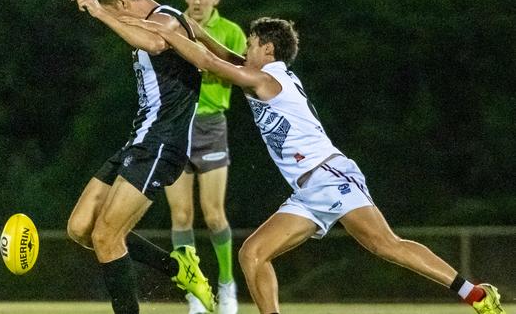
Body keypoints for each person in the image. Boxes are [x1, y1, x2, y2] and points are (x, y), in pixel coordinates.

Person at [120, 16, 506, 314]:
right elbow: (223, 56)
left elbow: (211, 62)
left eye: (252, 43)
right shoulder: (265, 73)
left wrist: (169, 32)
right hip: (306, 191)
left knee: (386, 245)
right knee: (252, 254)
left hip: (328, 174)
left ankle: (475, 293)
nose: (246, 48)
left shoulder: (269, 79)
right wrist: (197, 29)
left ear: (268, 49)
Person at [67, 0, 215, 313]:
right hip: (141, 139)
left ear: (122, 1)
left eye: (116, 11)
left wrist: (101, 13)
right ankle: (178, 268)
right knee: (81, 228)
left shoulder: (165, 19)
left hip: (163, 143)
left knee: (105, 237)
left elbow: (156, 42)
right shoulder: (152, 21)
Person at [166, 0, 246, 314]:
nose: (197, 2)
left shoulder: (230, 32)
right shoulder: (170, 25)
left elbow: (240, 74)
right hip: (176, 125)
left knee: (214, 215)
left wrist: (204, 57)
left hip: (212, 127)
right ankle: (196, 292)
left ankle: (227, 285)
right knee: (181, 215)